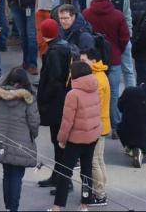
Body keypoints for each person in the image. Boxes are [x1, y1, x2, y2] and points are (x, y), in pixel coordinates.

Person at [0, 67, 39, 212]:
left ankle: (8, 207)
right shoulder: (28, 98)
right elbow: (33, 121)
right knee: (16, 177)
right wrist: (33, 135)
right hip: (21, 141)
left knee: (6, 174)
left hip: (1, 141)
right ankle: (13, 208)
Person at [52, 61, 101, 212]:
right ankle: (85, 204)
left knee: (65, 171)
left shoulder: (73, 94)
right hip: (92, 136)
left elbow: (67, 121)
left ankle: (57, 206)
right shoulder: (95, 88)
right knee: (86, 170)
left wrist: (61, 140)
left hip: (76, 139)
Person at [83, 0, 130, 128]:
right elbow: (124, 37)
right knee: (113, 93)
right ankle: (115, 125)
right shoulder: (118, 15)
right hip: (113, 58)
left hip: (94, 59)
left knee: (92, 93)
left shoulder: (86, 13)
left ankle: (93, 123)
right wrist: (117, 50)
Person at [36, 19, 73, 192]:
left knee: (59, 143)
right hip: (63, 101)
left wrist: (44, 97)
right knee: (59, 142)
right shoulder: (64, 46)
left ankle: (63, 180)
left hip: (57, 104)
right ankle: (58, 177)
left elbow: (54, 79)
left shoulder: (54, 52)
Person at [79, 48, 110, 207]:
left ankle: (100, 193)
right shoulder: (100, 75)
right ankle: (102, 190)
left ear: (93, 61)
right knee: (99, 159)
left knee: (93, 161)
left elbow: (92, 105)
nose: (81, 64)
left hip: (97, 126)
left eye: (84, 61)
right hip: (102, 124)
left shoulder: (96, 80)